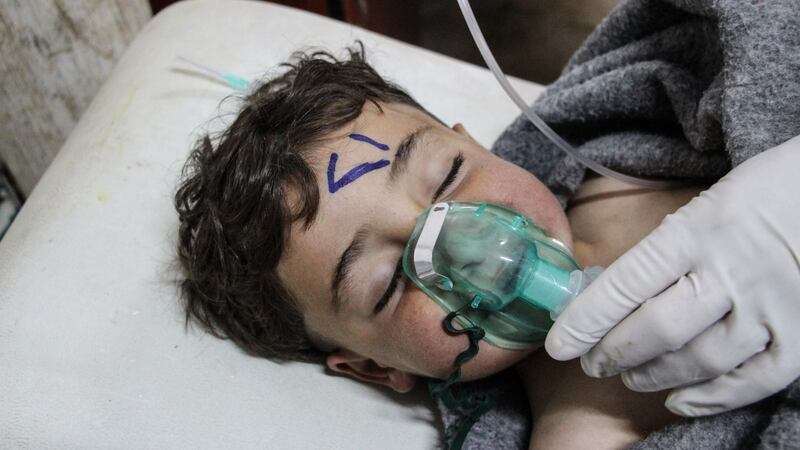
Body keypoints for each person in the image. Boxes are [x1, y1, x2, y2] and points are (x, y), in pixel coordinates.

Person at [174, 45, 722, 448]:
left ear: (472, 143)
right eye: (388, 282)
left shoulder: (631, 168)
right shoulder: (587, 437)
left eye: (449, 177)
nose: (470, 249)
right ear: (373, 366)